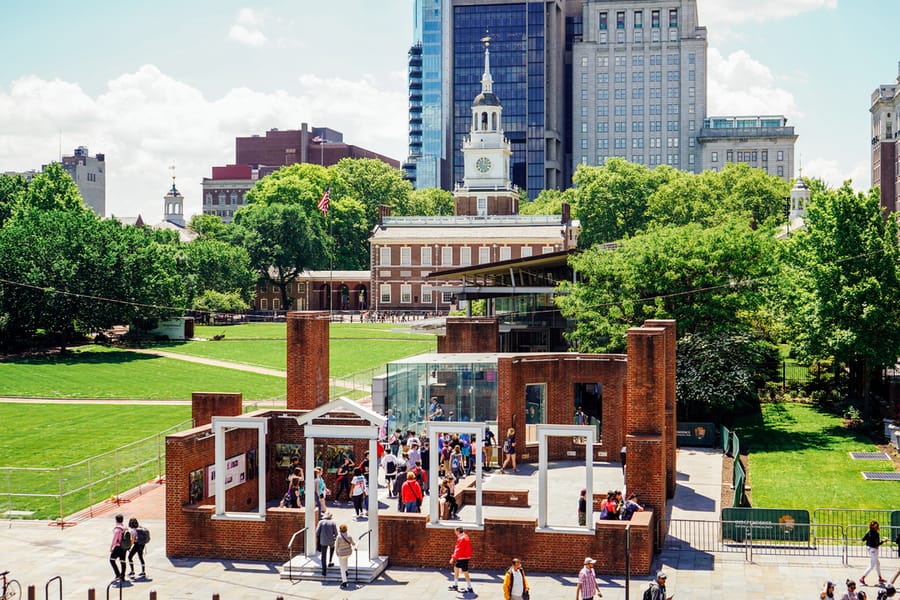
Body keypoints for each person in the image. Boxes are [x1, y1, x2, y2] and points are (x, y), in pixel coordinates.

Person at [860, 520, 887, 586]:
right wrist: (883, 541)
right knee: (872, 565)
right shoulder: (876, 534)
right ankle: (862, 577)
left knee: (877, 563)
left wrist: (868, 536)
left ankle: (880, 577)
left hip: (869, 549)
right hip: (874, 550)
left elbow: (863, 539)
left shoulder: (868, 532)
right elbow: (876, 544)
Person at [448, 526, 473, 593]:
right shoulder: (465, 536)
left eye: (455, 531)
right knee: (456, 568)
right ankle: (455, 585)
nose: (455, 532)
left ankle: (470, 587)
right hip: (465, 556)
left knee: (465, 572)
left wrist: (453, 558)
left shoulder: (461, 539)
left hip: (463, 557)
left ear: (458, 531)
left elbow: (458, 549)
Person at [315, 511, 338, 577]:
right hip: (331, 541)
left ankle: (324, 571)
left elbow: (317, 533)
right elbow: (336, 533)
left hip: (323, 541)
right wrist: (333, 538)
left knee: (323, 556)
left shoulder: (321, 522)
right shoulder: (333, 523)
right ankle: (330, 561)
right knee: (332, 548)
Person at [334, 523, 356, 589]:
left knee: (342, 568)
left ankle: (344, 582)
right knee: (345, 561)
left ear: (340, 530)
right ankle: (346, 571)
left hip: (341, 553)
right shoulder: (349, 536)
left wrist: (336, 552)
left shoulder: (339, 537)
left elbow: (336, 546)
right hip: (348, 552)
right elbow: (353, 543)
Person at [109, 513, 128, 584]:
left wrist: (111, 547)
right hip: (124, 547)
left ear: (116, 520)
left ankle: (117, 574)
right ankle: (122, 576)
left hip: (118, 547)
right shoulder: (125, 528)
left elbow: (114, 540)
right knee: (123, 561)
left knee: (112, 560)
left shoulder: (117, 529)